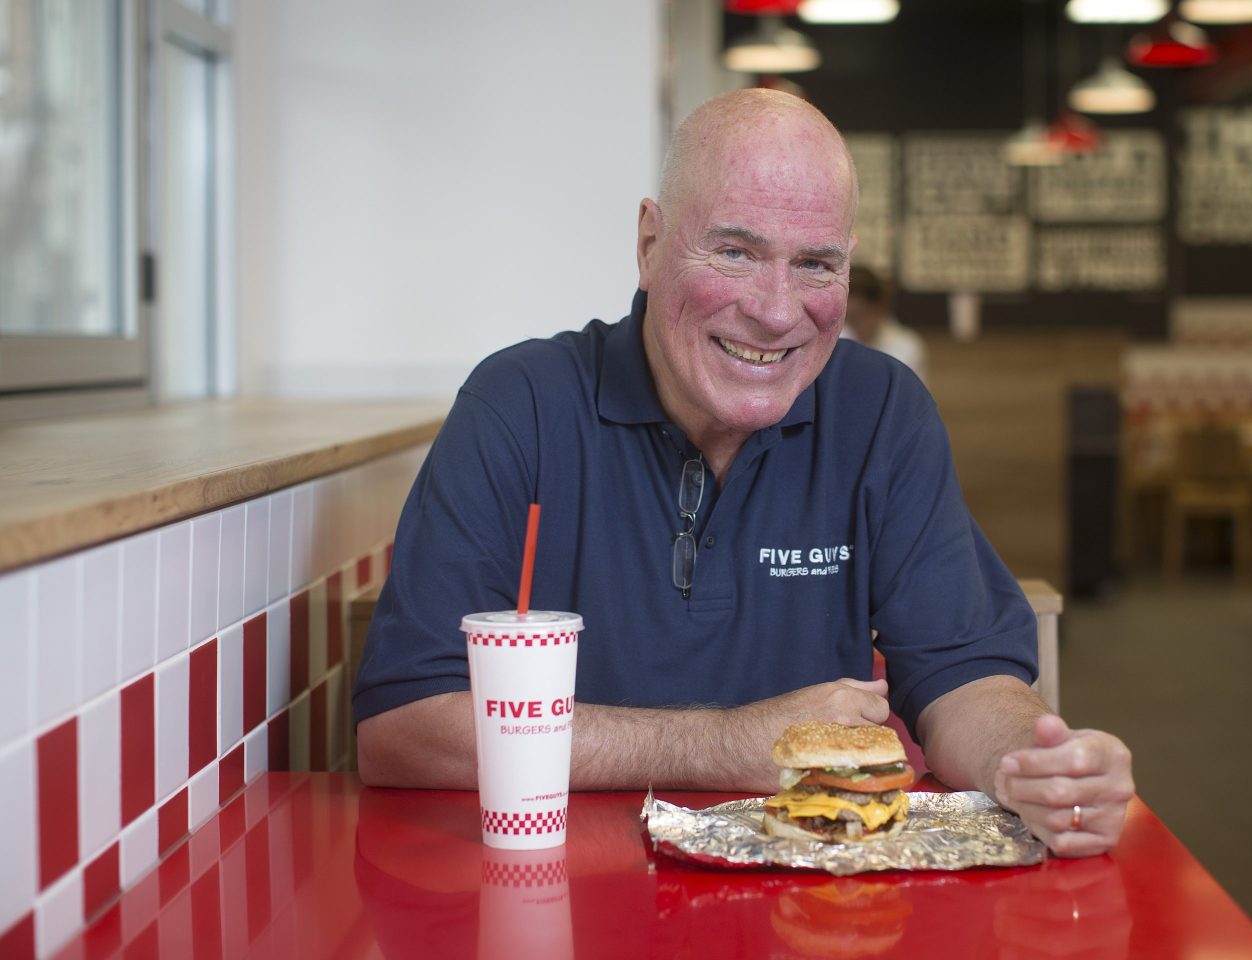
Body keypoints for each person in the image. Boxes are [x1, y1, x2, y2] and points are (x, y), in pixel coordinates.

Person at [353, 89, 1133, 858]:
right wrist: (725, 744)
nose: (776, 310)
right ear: (650, 243)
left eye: (815, 264)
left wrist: (1032, 766)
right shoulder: (519, 405)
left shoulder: (882, 411)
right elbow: (406, 730)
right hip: (553, 899)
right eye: (735, 251)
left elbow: (964, 678)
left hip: (813, 919)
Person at [843, 265, 928, 385]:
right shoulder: (832, 343)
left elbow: (915, 399)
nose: (857, 325)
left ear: (879, 307)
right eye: (849, 318)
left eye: (860, 316)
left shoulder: (907, 346)